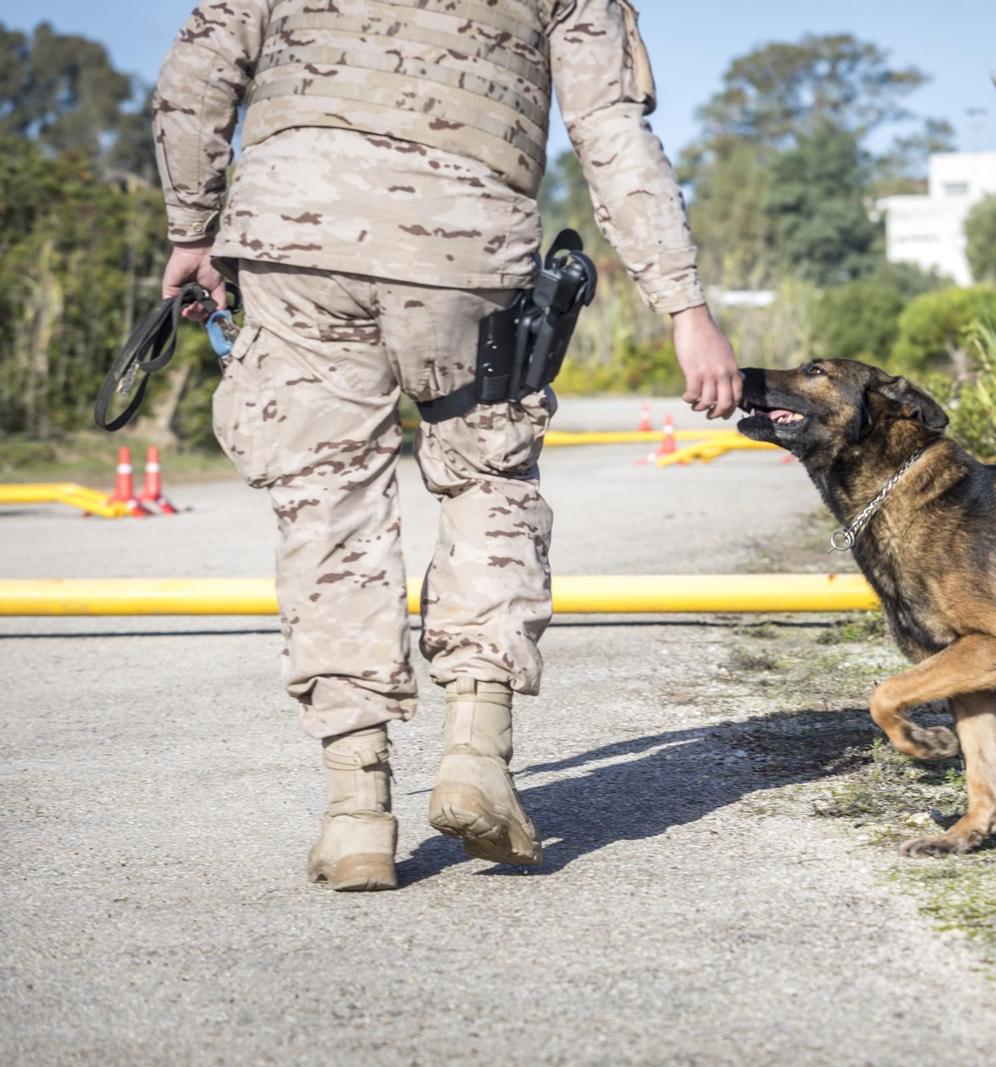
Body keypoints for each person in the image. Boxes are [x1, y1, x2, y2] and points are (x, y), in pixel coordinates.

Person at [152, 0, 742, 891]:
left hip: (295, 240)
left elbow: (194, 79)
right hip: (465, 250)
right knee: (488, 484)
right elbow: (611, 134)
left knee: (327, 505)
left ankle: (356, 815)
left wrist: (192, 228)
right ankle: (477, 758)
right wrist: (685, 310)